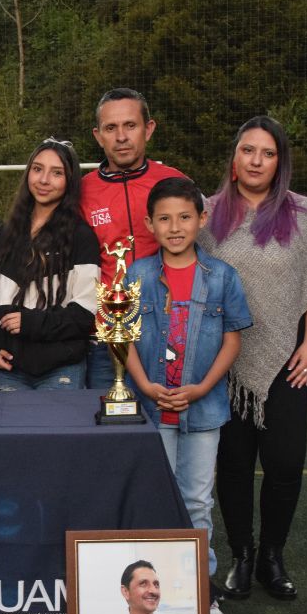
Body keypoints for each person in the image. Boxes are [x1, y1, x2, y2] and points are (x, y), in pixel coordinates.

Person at [199, 116, 307, 601]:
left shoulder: (303, 214)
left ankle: (273, 557)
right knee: (233, 464)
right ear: (234, 158)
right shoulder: (208, 214)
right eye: (247, 150)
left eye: (267, 153)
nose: (256, 160)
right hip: (223, 362)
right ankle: (242, 555)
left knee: (285, 462)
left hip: (288, 359)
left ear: (280, 162)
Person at [125, 177, 252, 614]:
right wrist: (143, 384)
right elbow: (121, 339)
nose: (174, 227)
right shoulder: (137, 275)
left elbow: (233, 339)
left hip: (203, 410)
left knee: (197, 501)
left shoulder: (222, 277)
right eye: (164, 219)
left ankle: (200, 588)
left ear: (201, 219)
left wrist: (201, 388)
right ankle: (151, 593)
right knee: (155, 500)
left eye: (184, 217)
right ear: (149, 224)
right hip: (150, 409)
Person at [80, 88, 187, 389]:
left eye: (130, 125)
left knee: (163, 426)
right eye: (111, 128)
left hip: (167, 331)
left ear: (148, 129)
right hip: (103, 338)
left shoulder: (175, 183)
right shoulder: (81, 192)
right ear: (98, 135)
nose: (121, 137)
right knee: (106, 428)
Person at [0, 138, 99, 390]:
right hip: (10, 369)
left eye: (57, 173)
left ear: (70, 181)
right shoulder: (1, 238)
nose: (43, 180)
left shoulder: (82, 238)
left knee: (55, 431)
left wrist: (30, 323)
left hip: (62, 368)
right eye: (37, 169)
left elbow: (84, 315)